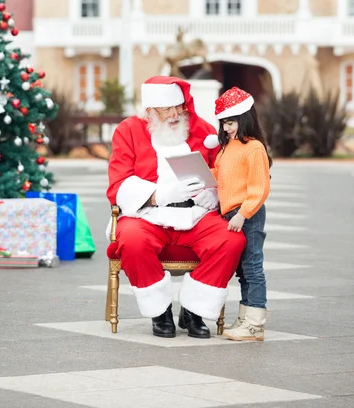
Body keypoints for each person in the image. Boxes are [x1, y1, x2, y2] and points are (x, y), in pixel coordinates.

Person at [106, 76, 246, 339]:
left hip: (196, 214)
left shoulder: (201, 130)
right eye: (166, 109)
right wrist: (160, 194)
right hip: (147, 214)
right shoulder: (128, 131)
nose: (175, 114)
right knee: (132, 240)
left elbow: (225, 168)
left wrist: (215, 193)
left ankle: (193, 310)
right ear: (149, 111)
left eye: (178, 107)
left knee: (231, 239)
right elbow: (119, 182)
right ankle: (160, 311)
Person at [211, 86, 271, 341]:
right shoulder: (227, 147)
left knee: (253, 267)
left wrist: (243, 214)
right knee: (242, 270)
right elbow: (219, 176)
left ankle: (255, 323)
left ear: (244, 118)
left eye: (231, 122)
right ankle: (246, 317)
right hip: (231, 214)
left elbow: (259, 188)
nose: (226, 128)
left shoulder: (254, 148)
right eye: (224, 123)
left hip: (248, 215)